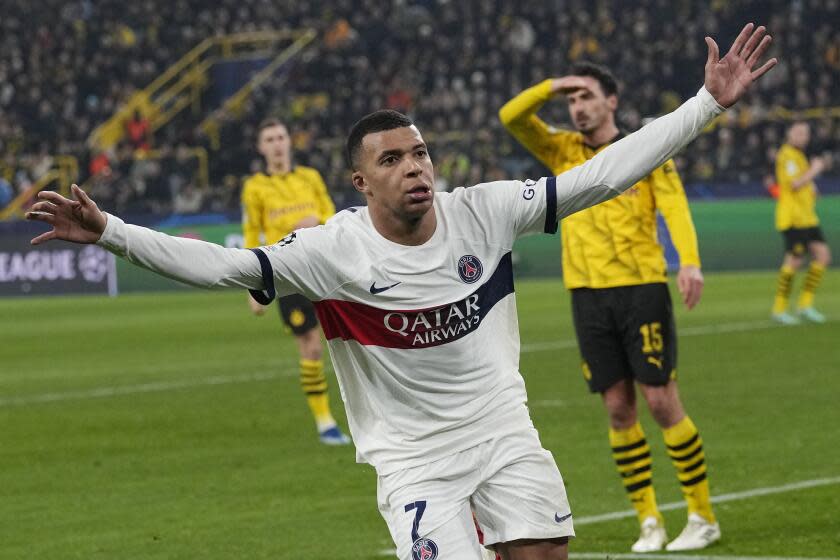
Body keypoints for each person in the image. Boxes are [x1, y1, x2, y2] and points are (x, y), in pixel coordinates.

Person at [26, 25, 775, 560]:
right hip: (414, 458)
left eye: (421, 152)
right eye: (394, 159)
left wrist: (705, 103)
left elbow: (603, 173)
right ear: (361, 181)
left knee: (547, 549)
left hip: (501, 430)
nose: (416, 167)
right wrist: (113, 233)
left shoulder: (482, 211)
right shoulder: (332, 251)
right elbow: (221, 268)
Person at [500, 60, 718, 551]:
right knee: (618, 408)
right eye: (571, 101)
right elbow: (512, 117)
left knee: (661, 401)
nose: (577, 107)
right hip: (586, 294)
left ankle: (702, 516)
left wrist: (690, 262)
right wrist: (552, 84)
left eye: (586, 97)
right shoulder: (561, 150)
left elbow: (675, 206)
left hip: (641, 287)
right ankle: (649, 520)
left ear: (611, 101)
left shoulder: (646, 150)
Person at [242, 118, 351, 445]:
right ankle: (325, 422)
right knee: (311, 346)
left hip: (323, 267)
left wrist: (315, 220)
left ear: (289, 141)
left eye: (280, 137)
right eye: (269, 139)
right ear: (261, 148)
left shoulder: (310, 177)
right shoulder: (255, 187)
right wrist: (253, 286)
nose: (276, 144)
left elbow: (331, 215)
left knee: (349, 340)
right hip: (287, 273)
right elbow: (251, 234)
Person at [771, 121, 832, 324]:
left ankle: (805, 305)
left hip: (808, 217)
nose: (802, 136)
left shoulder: (799, 156)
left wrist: (812, 188)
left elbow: (803, 182)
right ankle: (779, 309)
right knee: (794, 261)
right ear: (789, 134)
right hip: (793, 218)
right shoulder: (786, 155)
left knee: (822, 256)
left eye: (805, 132)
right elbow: (794, 184)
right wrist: (815, 170)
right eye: (798, 132)